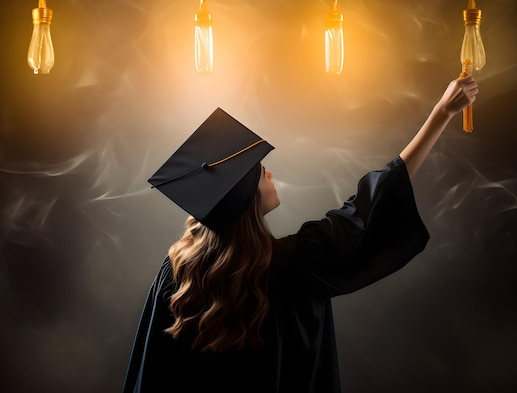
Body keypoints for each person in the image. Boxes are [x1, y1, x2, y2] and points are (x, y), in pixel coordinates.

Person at [122, 75, 479, 392]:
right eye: (262, 173)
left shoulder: (177, 274)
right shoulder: (293, 264)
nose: (271, 176)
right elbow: (371, 205)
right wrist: (441, 114)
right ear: (246, 199)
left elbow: (150, 374)